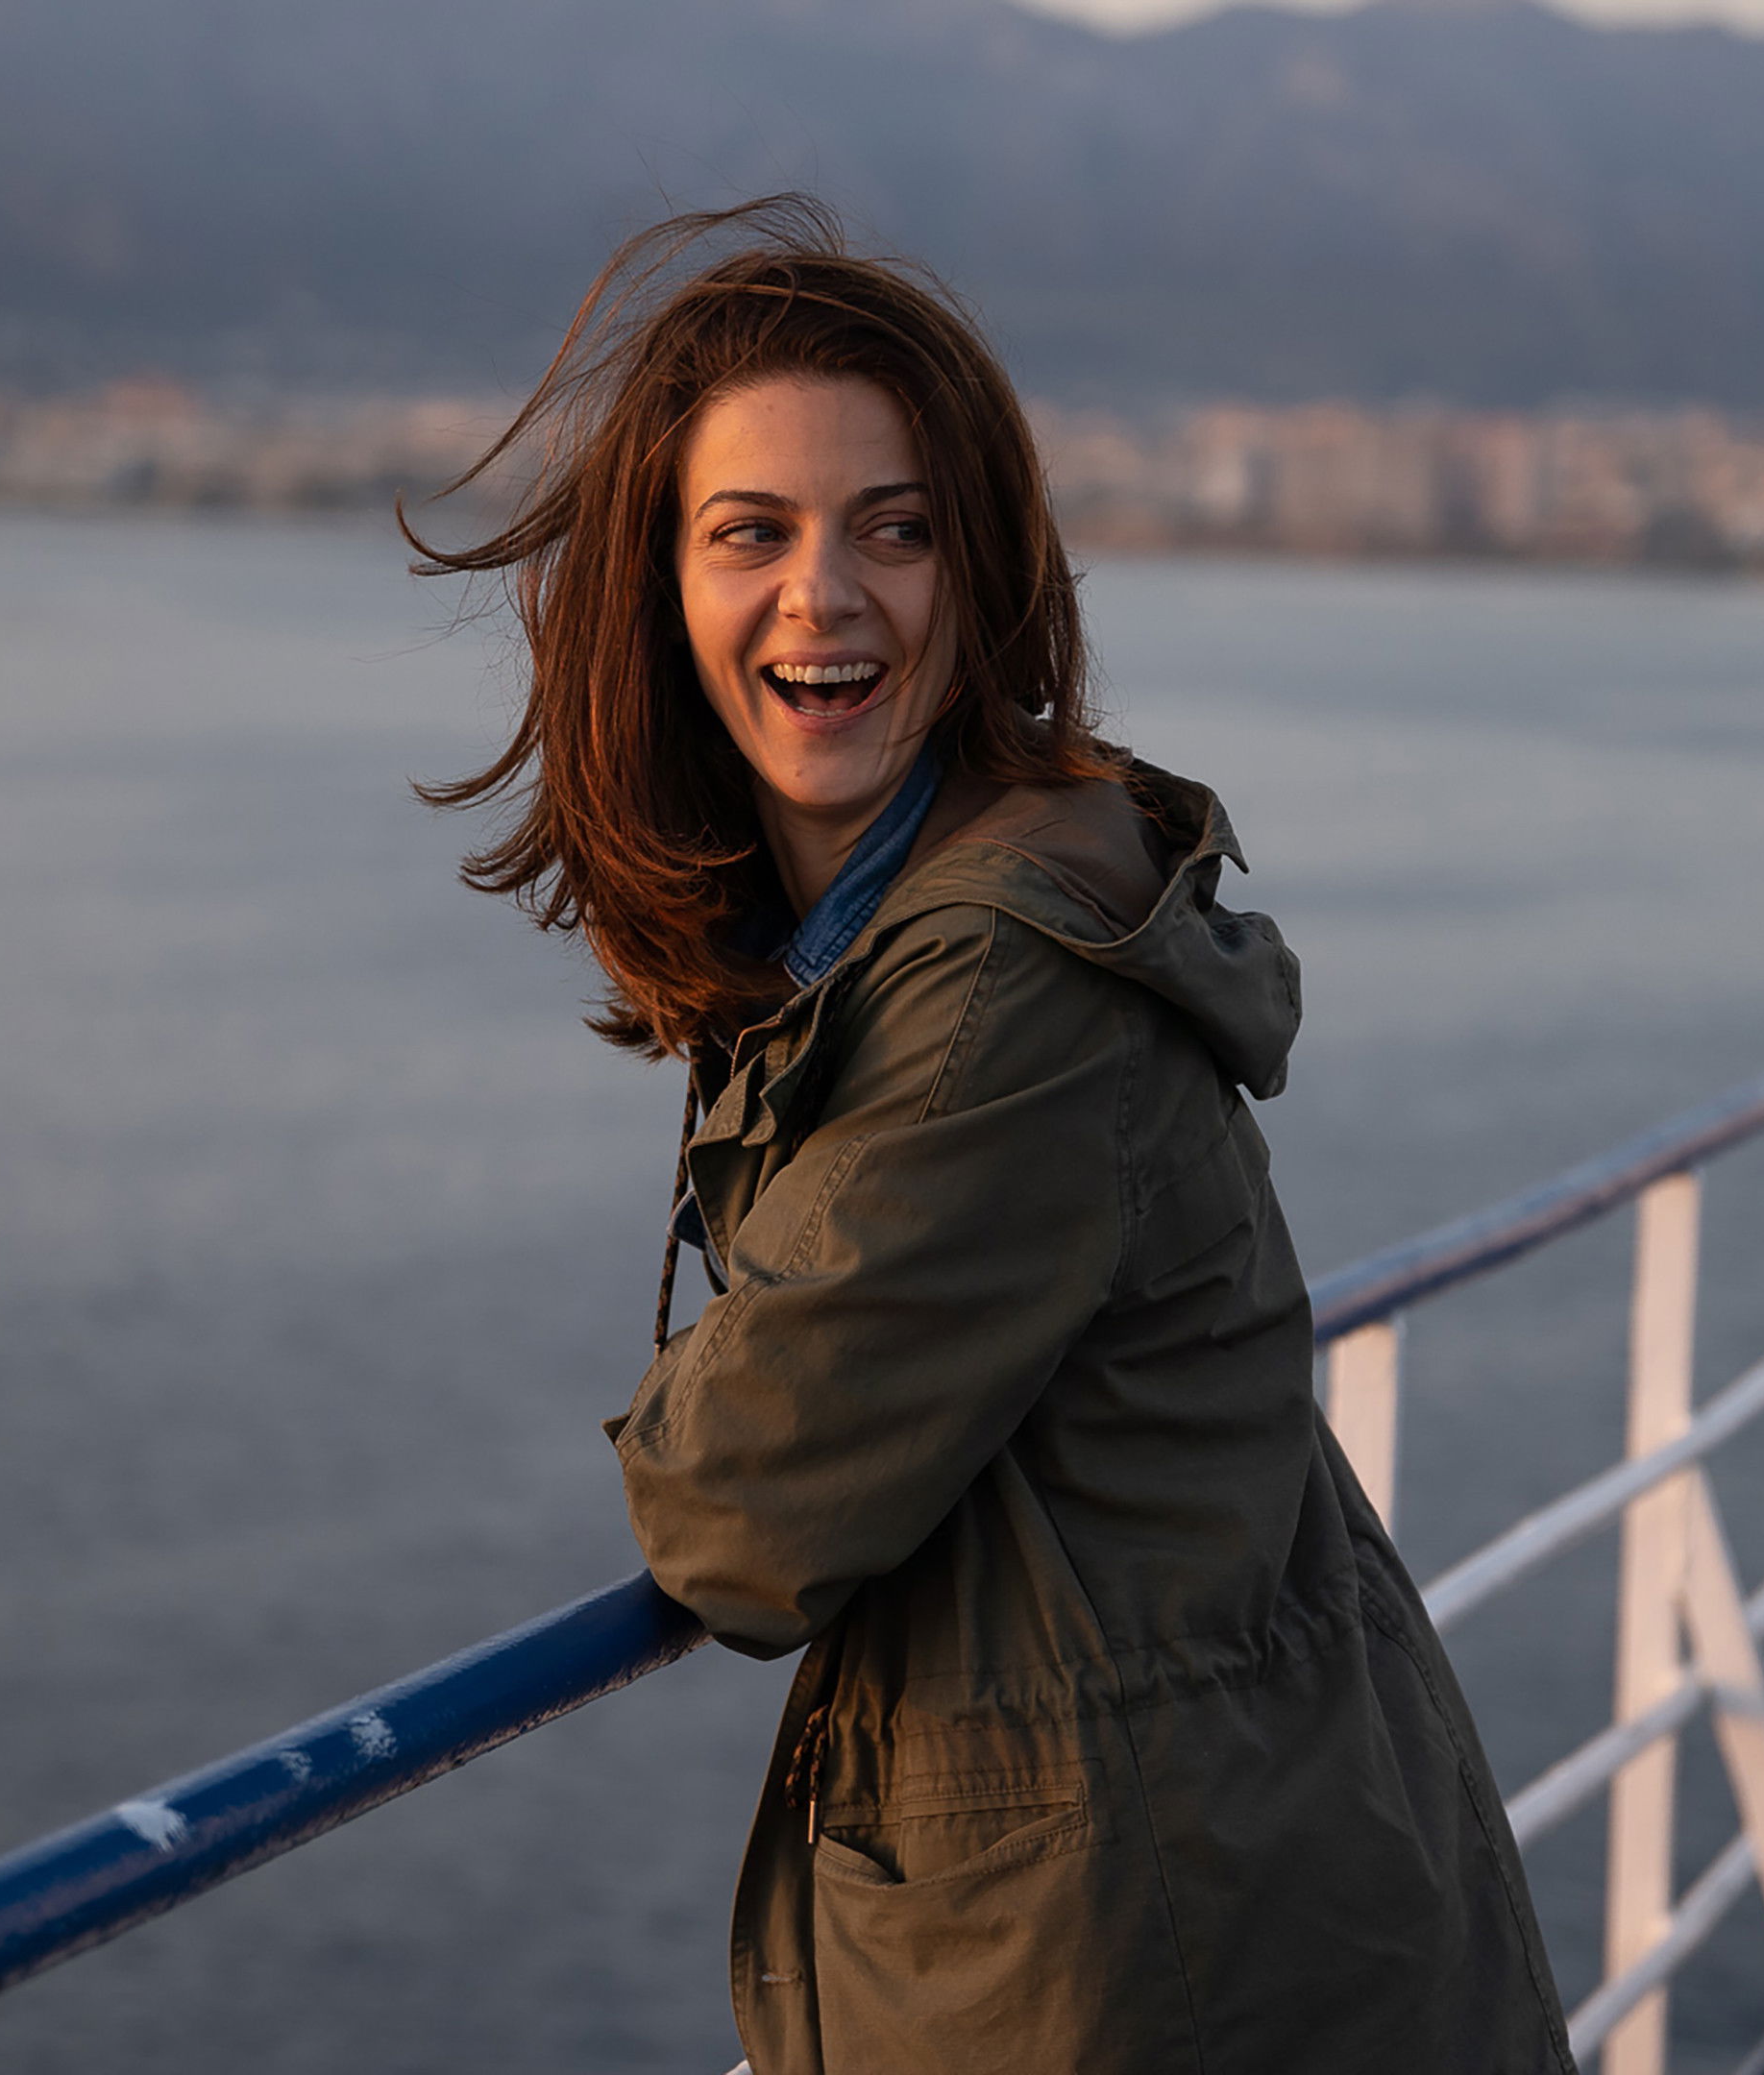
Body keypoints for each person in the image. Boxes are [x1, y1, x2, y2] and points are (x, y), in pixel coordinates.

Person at [413, 198, 1573, 2075]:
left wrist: (703, 1397)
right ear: (658, 590)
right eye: (752, 533)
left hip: (1157, 1962)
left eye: (898, 528)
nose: (825, 595)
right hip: (1221, 1885)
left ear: (981, 575)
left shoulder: (996, 981)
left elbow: (740, 1523)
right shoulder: (902, 932)